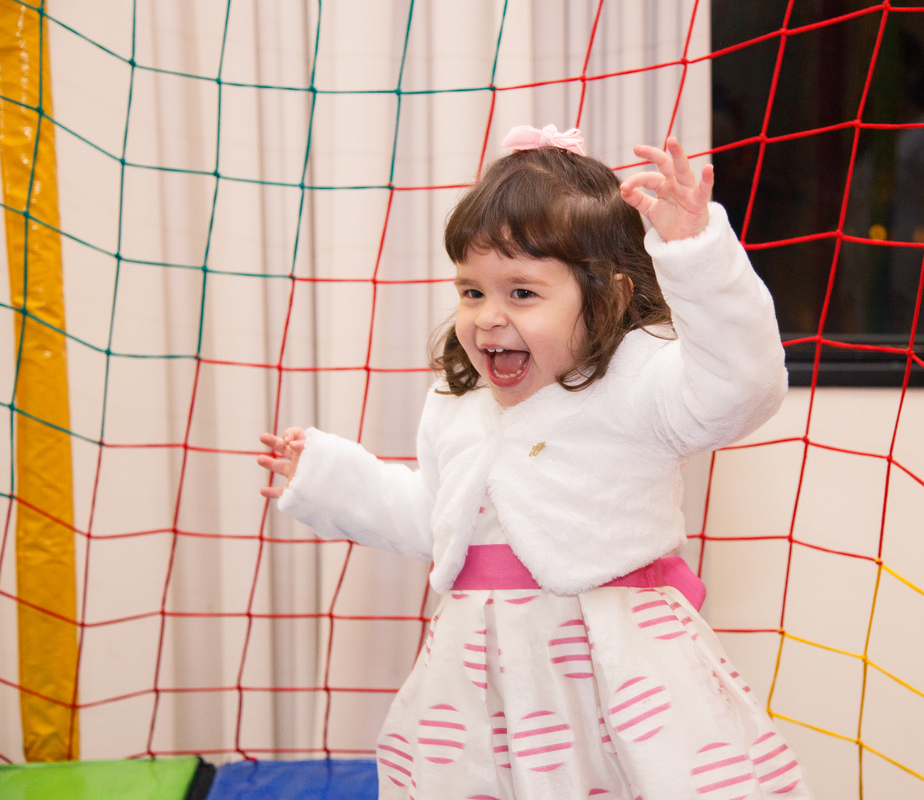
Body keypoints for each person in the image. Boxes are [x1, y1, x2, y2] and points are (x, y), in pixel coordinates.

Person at [258, 124, 814, 800]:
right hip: (478, 682)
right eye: (472, 292)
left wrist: (694, 253)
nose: (488, 317)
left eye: (521, 293)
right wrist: (330, 479)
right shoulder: (460, 403)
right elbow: (432, 517)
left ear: (607, 298)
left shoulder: (640, 388)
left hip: (615, 678)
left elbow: (743, 386)